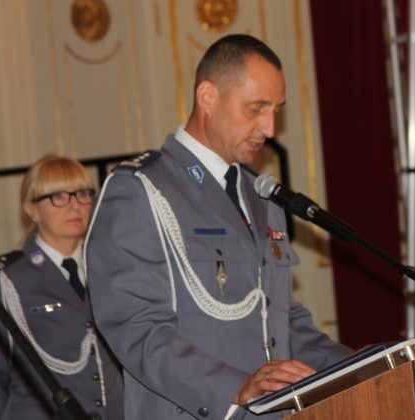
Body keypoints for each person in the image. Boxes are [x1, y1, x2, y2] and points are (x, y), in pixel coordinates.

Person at [85, 34, 351, 419]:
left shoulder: (261, 194)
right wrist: (232, 389)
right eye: (256, 108)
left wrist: (358, 364)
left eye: (276, 110)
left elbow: (277, 317)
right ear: (208, 96)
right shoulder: (141, 189)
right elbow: (135, 328)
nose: (269, 128)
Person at [0, 155, 124, 419]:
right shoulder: (9, 278)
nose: (75, 205)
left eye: (83, 194)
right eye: (58, 196)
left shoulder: (113, 268)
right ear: (31, 210)